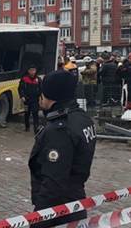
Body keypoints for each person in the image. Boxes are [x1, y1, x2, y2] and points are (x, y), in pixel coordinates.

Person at [30, 70, 96, 228]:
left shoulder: (60, 130)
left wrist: (39, 218)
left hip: (58, 210)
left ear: (50, 94)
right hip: (75, 201)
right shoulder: (82, 118)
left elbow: (54, 182)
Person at [18, 64, 42, 133]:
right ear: (28, 71)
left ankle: (36, 129)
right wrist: (22, 96)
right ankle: (27, 127)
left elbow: (41, 89)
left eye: (34, 70)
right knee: (26, 113)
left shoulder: (38, 79)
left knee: (35, 114)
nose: (32, 72)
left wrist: (41, 98)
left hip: (35, 100)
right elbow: (20, 89)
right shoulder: (24, 79)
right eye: (31, 70)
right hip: (26, 100)